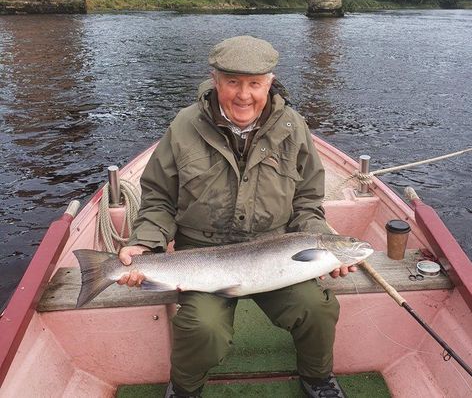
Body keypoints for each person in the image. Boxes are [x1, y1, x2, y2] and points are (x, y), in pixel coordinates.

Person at [117, 35, 356, 398]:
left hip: (275, 251)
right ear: (215, 81)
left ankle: (317, 378)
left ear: (270, 83)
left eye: (255, 84)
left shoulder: (294, 128)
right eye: (233, 82)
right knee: (202, 327)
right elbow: (159, 199)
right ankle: (184, 389)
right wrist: (143, 243)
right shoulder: (183, 127)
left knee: (317, 309)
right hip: (202, 254)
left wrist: (322, 241)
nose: (244, 95)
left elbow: (307, 202)